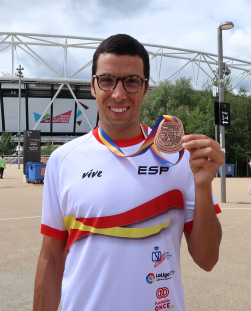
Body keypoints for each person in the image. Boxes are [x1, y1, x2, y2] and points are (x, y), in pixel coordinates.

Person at [33, 34, 224, 311]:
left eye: (132, 81)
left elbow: (208, 260)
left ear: (146, 88)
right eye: (107, 80)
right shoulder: (63, 160)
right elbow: (50, 260)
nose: (119, 94)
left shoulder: (180, 158)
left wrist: (204, 187)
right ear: (93, 87)